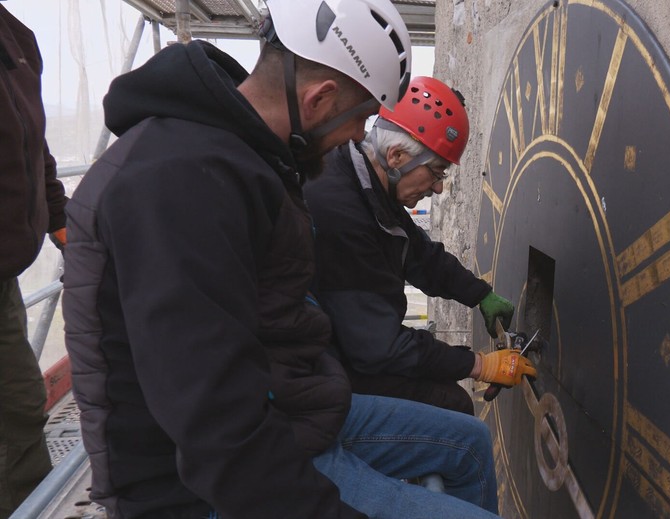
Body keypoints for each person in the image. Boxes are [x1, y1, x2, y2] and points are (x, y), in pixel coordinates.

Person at [62, 1, 501, 518]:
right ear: (320, 98)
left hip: (294, 408)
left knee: (469, 445)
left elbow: (413, 250)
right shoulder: (180, 184)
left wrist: (479, 294)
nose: (362, 135)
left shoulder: (253, 156)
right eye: (362, 116)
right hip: (203, 482)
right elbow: (215, 427)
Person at [304, 76, 536, 416]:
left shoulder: (368, 186)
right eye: (437, 172)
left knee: (445, 397)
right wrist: (478, 365)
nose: (439, 189)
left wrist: (478, 294)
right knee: (453, 409)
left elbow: (421, 257)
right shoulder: (341, 211)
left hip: (346, 348)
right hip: (321, 373)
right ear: (397, 156)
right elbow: (379, 348)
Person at [0, 5, 64, 517]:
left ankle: (28, 505)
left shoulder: (16, 37)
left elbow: (33, 144)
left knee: (19, 407)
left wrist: (62, 222)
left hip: (5, 270)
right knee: (16, 406)